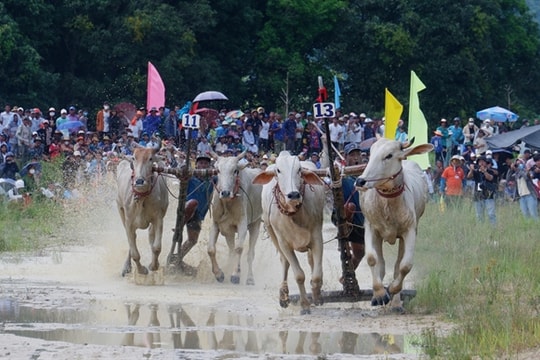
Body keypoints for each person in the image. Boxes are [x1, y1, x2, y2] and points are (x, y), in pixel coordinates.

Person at [332, 143, 365, 283]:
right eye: (352, 155)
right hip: (345, 218)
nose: (356, 158)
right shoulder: (341, 173)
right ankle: (342, 235)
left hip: (363, 220)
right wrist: (337, 170)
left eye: (358, 155)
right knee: (350, 206)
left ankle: (345, 277)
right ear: (345, 157)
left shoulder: (367, 173)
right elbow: (331, 172)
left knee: (360, 254)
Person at [178, 154, 215, 273]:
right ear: (197, 165)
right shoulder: (190, 176)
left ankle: (177, 258)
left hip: (198, 215)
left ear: (209, 166)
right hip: (186, 209)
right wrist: (183, 169)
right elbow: (180, 173)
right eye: (201, 163)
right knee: (193, 202)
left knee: (192, 240)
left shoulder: (213, 179)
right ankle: (180, 226)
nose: (203, 165)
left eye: (206, 163)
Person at [467, 155, 498, 225]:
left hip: (489, 194)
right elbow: (468, 177)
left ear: (486, 163)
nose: (481, 163)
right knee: (479, 215)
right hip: (478, 195)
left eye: (483, 162)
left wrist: (484, 171)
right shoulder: (476, 172)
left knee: (491, 214)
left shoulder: (490, 171)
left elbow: (490, 178)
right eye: (480, 162)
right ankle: (480, 229)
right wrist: (472, 170)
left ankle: (494, 227)